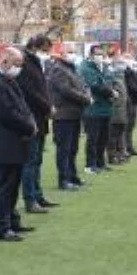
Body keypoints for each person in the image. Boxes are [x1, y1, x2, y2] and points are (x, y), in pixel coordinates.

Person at [0, 47, 37, 242]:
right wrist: (28, 126)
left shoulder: (7, 80)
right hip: (3, 142)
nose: (18, 69)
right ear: (5, 61)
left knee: (13, 184)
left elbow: (22, 106)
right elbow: (7, 113)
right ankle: (2, 227)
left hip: (16, 140)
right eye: (17, 65)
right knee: (4, 185)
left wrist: (30, 122)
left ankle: (12, 221)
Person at [16, 35, 56, 214]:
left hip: (40, 116)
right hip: (31, 117)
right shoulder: (25, 63)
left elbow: (42, 88)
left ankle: (38, 195)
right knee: (30, 161)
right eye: (45, 49)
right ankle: (30, 199)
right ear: (36, 47)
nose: (47, 53)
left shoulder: (36, 63)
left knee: (37, 159)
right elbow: (30, 92)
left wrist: (48, 106)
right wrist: (48, 106)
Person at [47, 45, 88, 191]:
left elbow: (80, 86)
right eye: (69, 52)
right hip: (63, 115)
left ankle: (72, 176)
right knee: (64, 149)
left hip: (73, 114)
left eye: (73, 52)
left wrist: (85, 94)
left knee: (72, 149)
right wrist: (85, 98)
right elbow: (66, 90)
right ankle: (63, 180)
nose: (72, 54)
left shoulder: (71, 68)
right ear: (60, 55)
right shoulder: (58, 69)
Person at [81, 45, 115, 172]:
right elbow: (95, 85)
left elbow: (110, 80)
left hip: (106, 108)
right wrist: (111, 92)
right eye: (97, 54)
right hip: (93, 109)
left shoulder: (104, 67)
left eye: (101, 54)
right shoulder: (86, 68)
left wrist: (111, 90)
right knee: (93, 139)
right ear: (91, 55)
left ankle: (100, 163)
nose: (100, 56)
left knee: (103, 138)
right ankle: (90, 164)